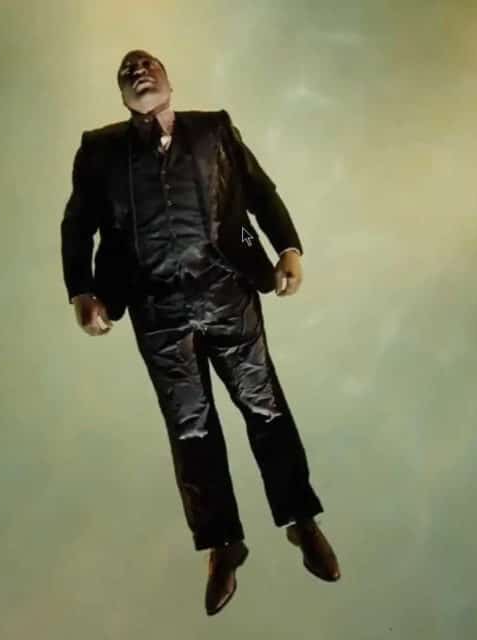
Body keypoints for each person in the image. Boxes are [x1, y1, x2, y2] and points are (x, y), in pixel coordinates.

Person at [60, 49, 341, 616]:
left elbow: (254, 198)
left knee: (264, 405)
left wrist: (286, 249)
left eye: (147, 65)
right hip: (156, 308)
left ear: (168, 79)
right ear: (121, 94)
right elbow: (78, 225)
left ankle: (301, 520)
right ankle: (222, 544)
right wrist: (82, 291)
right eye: (127, 71)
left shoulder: (213, 130)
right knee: (190, 426)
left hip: (227, 293)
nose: (138, 71)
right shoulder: (100, 150)